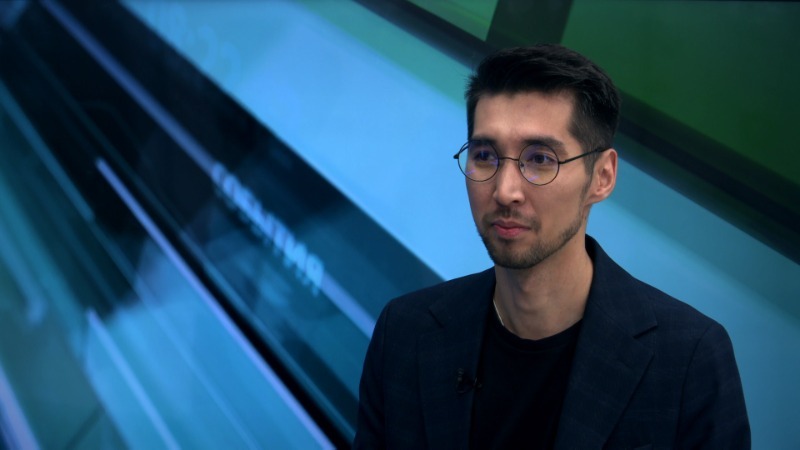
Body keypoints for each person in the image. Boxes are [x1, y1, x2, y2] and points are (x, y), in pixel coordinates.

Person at [353, 44, 750, 449]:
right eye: (485, 155)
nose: (505, 191)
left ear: (602, 177)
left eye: (541, 159)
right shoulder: (404, 333)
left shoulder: (689, 360)